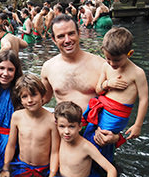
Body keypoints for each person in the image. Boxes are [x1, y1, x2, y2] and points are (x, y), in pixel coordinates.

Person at [41, 14, 121, 148]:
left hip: (97, 134)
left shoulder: (101, 65)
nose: (67, 40)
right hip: (66, 135)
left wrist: (116, 135)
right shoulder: (48, 68)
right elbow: (41, 101)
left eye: (71, 33)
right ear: (54, 39)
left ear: (79, 33)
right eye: (61, 36)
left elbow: (120, 103)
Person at [83, 27, 149, 162]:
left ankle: (103, 169)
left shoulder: (137, 73)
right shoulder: (106, 67)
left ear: (130, 53)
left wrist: (138, 125)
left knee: (102, 140)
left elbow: (144, 99)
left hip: (116, 116)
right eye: (108, 59)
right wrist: (108, 84)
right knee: (89, 139)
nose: (112, 63)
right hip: (102, 109)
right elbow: (98, 90)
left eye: (117, 60)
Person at [0, 74, 60, 177]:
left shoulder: (52, 120)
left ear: (42, 95)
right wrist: (5, 168)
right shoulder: (17, 116)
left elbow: (55, 152)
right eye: (24, 96)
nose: (30, 100)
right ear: (20, 99)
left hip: (44, 169)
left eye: (34, 95)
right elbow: (10, 145)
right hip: (22, 166)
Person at [54, 101, 117, 177]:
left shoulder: (86, 147)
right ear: (56, 125)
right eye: (62, 126)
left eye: (71, 126)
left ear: (80, 126)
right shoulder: (59, 139)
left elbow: (111, 170)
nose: (66, 131)